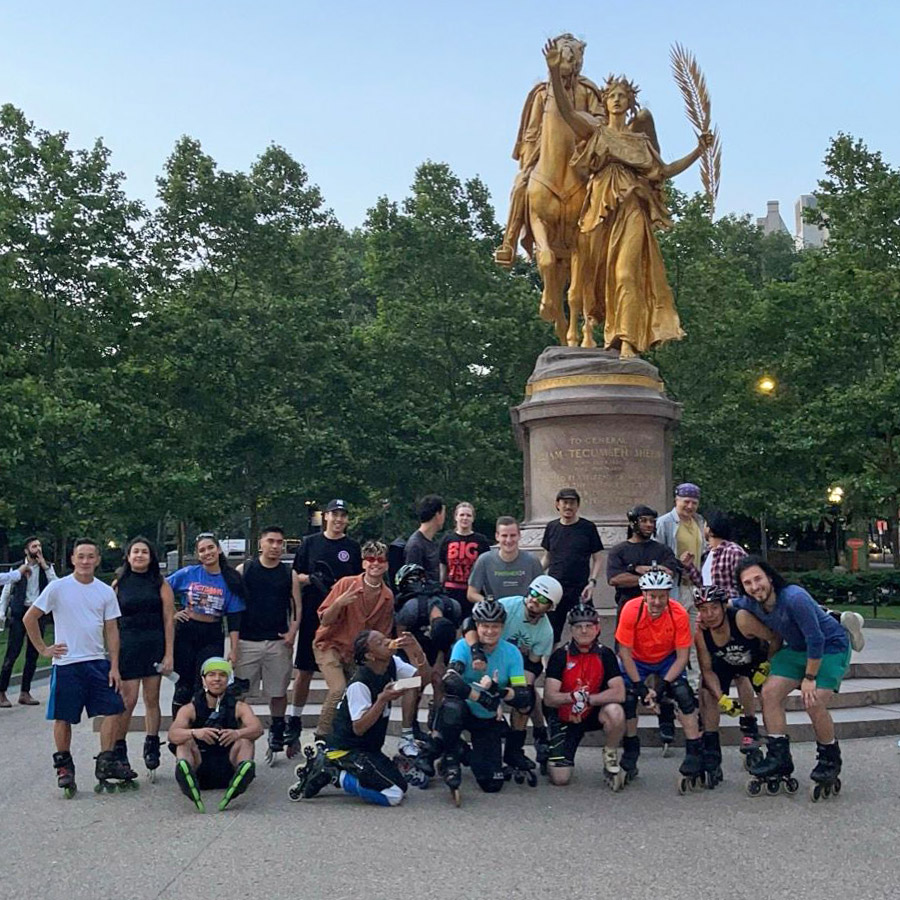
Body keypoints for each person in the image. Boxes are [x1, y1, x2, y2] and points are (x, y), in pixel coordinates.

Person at [545, 44, 712, 357]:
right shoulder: (596, 134)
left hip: (632, 207)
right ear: (606, 102)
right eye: (612, 96)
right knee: (599, 278)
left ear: (629, 103)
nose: (617, 100)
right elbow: (566, 111)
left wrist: (699, 151)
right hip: (599, 212)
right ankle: (608, 333)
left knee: (626, 274)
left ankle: (629, 341)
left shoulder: (639, 142)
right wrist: (554, 71)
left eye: (623, 96)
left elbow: (663, 171)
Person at [733, 556, 851, 799]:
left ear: (770, 578)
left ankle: (829, 758)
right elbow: (724, 604)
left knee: (814, 700)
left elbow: (816, 638)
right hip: (797, 648)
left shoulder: (794, 597)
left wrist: (809, 677)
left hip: (829, 646)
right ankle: (779, 756)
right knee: (769, 693)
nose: (755, 587)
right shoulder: (750, 602)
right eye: (748, 583)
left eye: (758, 579)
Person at [22, 539, 131, 796]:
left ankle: (106, 761)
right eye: (81, 556)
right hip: (67, 663)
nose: (85, 561)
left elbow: (112, 630)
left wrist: (114, 665)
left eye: (90, 556)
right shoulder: (58, 588)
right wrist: (43, 649)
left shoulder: (105, 591)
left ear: (97, 560)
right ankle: (64, 766)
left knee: (114, 709)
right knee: (63, 716)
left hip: (96, 661)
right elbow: (30, 618)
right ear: (73, 559)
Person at [494, 32, 604, 267]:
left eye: (571, 56)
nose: (567, 61)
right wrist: (531, 156)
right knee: (521, 184)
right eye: (562, 56)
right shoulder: (542, 93)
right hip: (545, 153)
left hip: (582, 154)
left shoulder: (588, 91)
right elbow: (531, 131)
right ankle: (509, 241)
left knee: (606, 188)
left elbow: (601, 123)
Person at [289, 630, 430, 806]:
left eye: (385, 638)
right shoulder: (360, 683)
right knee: (393, 795)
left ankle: (404, 738)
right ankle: (334, 773)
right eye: (379, 643)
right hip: (348, 748)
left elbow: (421, 681)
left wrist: (416, 650)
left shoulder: (392, 663)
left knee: (402, 786)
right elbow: (359, 728)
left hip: (369, 748)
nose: (387, 642)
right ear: (370, 656)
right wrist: (382, 700)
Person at [423, 599, 533, 799]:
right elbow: (450, 681)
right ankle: (449, 754)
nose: (490, 631)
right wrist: (480, 696)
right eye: (485, 626)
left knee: (492, 783)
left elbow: (522, 694)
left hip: (486, 716)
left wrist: (498, 691)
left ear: (502, 627)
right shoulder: (463, 646)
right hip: (463, 709)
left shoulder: (512, 653)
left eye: (495, 627)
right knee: (451, 707)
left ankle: (461, 750)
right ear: (476, 625)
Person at [461, 574, 561, 781]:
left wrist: (520, 692)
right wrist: (476, 652)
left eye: (542, 599)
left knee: (526, 697)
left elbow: (533, 664)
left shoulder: (546, 632)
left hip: (513, 666)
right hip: (484, 660)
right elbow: (470, 623)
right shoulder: (508, 605)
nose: (534, 600)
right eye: (533, 593)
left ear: (551, 606)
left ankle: (514, 749)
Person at [615, 567, 704, 790]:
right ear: (643, 595)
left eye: (661, 597)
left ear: (668, 595)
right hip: (637, 659)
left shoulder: (678, 613)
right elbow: (624, 652)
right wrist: (639, 686)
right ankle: (631, 751)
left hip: (667, 659)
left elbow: (683, 656)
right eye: (652, 596)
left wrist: (663, 685)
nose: (656, 602)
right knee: (627, 698)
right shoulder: (630, 610)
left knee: (683, 694)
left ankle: (694, 752)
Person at [286, 499, 361, 754]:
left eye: (343, 515)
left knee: (348, 675)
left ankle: (343, 725)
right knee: (304, 671)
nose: (339, 519)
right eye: (334, 514)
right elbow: (294, 576)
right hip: (313, 614)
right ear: (326, 517)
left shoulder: (352, 547)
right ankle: (294, 720)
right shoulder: (310, 543)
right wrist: (311, 579)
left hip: (343, 620)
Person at [312, 540, 396, 740]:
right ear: (363, 563)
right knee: (338, 690)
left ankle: (346, 737)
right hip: (330, 644)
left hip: (356, 652)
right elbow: (324, 619)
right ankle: (321, 737)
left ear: (386, 565)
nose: (375, 564)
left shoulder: (387, 596)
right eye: (370, 559)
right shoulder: (346, 584)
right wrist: (339, 603)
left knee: (359, 691)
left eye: (380, 560)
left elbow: (382, 635)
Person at [693, 585, 776, 787]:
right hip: (723, 664)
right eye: (703, 610)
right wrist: (722, 698)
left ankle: (763, 738)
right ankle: (711, 750)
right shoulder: (701, 633)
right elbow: (707, 670)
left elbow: (774, 637)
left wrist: (767, 665)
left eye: (713, 608)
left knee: (767, 693)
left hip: (755, 661)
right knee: (707, 693)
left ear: (723, 606)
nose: (709, 615)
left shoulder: (741, 618)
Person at [543, 603, 626, 788]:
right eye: (578, 626)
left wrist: (588, 699)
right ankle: (549, 752)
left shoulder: (606, 654)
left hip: (592, 712)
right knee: (560, 779)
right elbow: (549, 697)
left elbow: (619, 692)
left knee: (615, 711)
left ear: (597, 628)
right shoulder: (559, 656)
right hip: (564, 716)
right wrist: (572, 698)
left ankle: (610, 753)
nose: (584, 630)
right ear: (571, 630)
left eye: (589, 626)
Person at [113, 536, 175, 780]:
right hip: (127, 644)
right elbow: (110, 623)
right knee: (127, 701)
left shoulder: (160, 583)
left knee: (152, 699)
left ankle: (151, 743)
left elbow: (169, 619)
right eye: (135, 552)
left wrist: (169, 653)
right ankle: (119, 748)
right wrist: (113, 658)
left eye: (144, 552)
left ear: (151, 557)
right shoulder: (118, 584)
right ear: (128, 556)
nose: (139, 555)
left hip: (153, 644)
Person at [235, 525, 297, 763]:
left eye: (279, 542)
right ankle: (240, 732)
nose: (275, 546)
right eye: (270, 541)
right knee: (241, 692)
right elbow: (234, 605)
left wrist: (293, 631)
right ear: (260, 543)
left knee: (278, 692)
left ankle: (277, 732)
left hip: (277, 641)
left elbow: (296, 608)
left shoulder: (287, 573)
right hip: (247, 641)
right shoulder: (246, 569)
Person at [169, 656, 263, 812]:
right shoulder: (189, 708)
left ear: (228, 679)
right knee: (184, 741)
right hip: (199, 767)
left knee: (246, 740)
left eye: (222, 675)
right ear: (204, 679)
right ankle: (185, 776)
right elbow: (172, 734)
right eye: (212, 675)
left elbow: (258, 729)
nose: (217, 679)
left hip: (229, 768)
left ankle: (243, 773)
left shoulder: (240, 706)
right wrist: (195, 732)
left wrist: (237, 733)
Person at [166, 533, 246, 718]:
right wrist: (173, 613)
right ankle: (179, 731)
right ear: (198, 554)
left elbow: (234, 618)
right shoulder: (189, 573)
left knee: (205, 684)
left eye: (210, 548)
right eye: (202, 550)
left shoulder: (230, 579)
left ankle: (201, 729)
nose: (207, 552)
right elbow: (163, 587)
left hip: (212, 634)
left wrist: (234, 649)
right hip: (187, 632)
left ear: (218, 549)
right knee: (183, 686)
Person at [393, 563, 461, 751]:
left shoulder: (452, 607)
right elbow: (400, 637)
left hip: (438, 648)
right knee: (413, 683)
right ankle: (409, 729)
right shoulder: (411, 608)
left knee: (441, 681)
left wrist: (439, 663)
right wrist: (420, 666)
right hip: (409, 645)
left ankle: (439, 727)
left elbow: (451, 639)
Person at [540, 488, 604, 643]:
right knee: (551, 634)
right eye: (565, 502)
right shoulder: (551, 527)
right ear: (557, 505)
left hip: (581, 589)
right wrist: (533, 575)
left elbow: (598, 558)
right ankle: (550, 667)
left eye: (572, 503)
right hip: (555, 589)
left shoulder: (588, 528)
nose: (568, 507)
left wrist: (592, 582)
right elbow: (547, 557)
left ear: (577, 506)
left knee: (589, 630)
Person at [0, 536, 57, 707]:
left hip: (37, 613)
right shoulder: (18, 567)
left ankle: (25, 692)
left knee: (33, 654)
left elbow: (56, 586)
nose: (38, 549)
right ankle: (2, 692)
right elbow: (6, 591)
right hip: (19, 613)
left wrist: (46, 567)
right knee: (12, 653)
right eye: (34, 546)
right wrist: (1, 612)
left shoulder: (47, 568)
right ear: (27, 550)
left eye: (39, 546)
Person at [606, 505, 680, 614]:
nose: (649, 525)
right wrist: (651, 575)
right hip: (628, 608)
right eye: (643, 521)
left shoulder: (663, 550)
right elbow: (615, 579)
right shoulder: (618, 551)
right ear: (633, 523)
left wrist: (640, 570)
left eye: (652, 521)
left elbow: (669, 573)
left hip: (658, 609)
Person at [467, 516, 543, 605]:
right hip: (495, 614)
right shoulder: (484, 560)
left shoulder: (532, 561)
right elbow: (471, 593)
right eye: (504, 535)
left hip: (525, 612)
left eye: (513, 535)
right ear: (497, 536)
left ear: (519, 535)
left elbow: (541, 592)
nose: (508, 540)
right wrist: (488, 603)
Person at [439, 501, 490, 614]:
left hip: (473, 591)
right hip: (451, 591)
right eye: (462, 515)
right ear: (456, 517)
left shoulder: (481, 541)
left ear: (473, 518)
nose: (465, 518)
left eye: (468, 515)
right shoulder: (447, 540)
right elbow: (442, 566)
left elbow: (486, 568)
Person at [403, 495, 445, 583]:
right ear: (438, 515)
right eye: (444, 513)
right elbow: (413, 581)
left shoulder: (432, 542)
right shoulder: (415, 545)